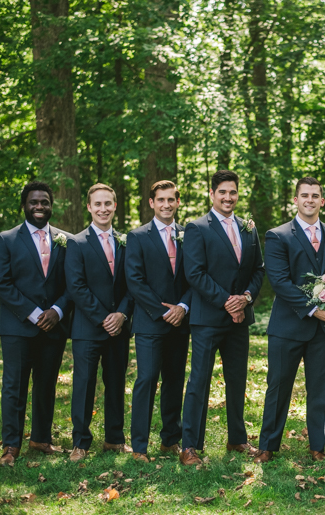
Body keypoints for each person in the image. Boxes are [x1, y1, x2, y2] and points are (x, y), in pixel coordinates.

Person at [254, 177, 325, 463]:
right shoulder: (278, 235)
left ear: (322, 201)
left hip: (324, 330)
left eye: (315, 195)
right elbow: (279, 281)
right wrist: (314, 310)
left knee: (320, 389)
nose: (309, 200)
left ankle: (318, 446)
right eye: (304, 195)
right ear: (295, 200)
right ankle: (267, 445)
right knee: (278, 386)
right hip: (288, 326)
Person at [180, 170, 265, 465]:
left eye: (233, 192)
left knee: (237, 380)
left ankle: (237, 439)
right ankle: (190, 445)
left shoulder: (248, 227)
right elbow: (194, 273)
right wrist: (226, 301)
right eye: (222, 192)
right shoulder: (197, 227)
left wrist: (246, 299)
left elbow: (258, 270)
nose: (228, 197)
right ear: (212, 194)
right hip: (207, 319)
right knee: (199, 381)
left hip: (240, 319)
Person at [0, 181, 72, 466]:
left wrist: (58, 311)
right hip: (18, 327)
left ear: (52, 205)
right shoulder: (7, 240)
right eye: (34, 202)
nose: (40, 206)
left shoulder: (66, 240)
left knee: (46, 384)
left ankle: (41, 438)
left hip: (54, 326)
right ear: (24, 205)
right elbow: (2, 285)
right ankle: (11, 445)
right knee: (14, 386)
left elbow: (72, 283)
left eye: (45, 202)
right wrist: (34, 312)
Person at [65, 183, 134, 463]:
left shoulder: (127, 241)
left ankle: (114, 439)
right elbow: (76, 286)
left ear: (115, 206)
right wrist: (103, 317)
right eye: (98, 204)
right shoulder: (76, 242)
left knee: (116, 382)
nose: (103, 209)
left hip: (120, 326)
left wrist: (122, 314)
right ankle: (80, 442)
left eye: (108, 204)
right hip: (87, 327)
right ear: (89, 208)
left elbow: (133, 284)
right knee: (84, 384)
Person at [125, 180, 191, 463]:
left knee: (175, 381)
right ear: (151, 203)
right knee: (147, 379)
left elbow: (195, 276)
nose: (166, 204)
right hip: (150, 321)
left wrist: (183, 307)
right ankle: (139, 446)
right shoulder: (137, 236)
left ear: (178, 202)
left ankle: (169, 441)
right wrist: (164, 311)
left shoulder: (189, 235)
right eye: (160, 200)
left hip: (181, 322)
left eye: (171, 199)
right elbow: (135, 281)